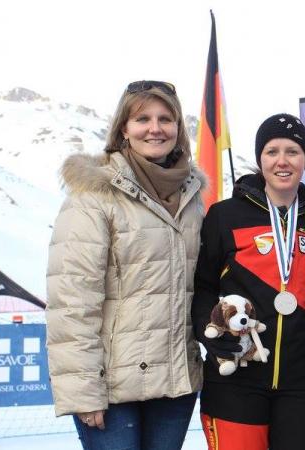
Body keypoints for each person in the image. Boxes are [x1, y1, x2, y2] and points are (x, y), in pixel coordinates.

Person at [46, 80, 205, 450]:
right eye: (142, 118)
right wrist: (83, 391)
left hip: (174, 385)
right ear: (123, 129)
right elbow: (72, 300)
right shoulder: (94, 194)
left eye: (166, 119)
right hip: (112, 388)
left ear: (179, 129)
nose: (155, 128)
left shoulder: (192, 196)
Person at [192, 113, 305, 450]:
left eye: (292, 151)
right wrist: (209, 333)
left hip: (304, 383)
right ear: (259, 159)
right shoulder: (225, 215)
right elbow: (203, 287)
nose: (282, 161)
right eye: (272, 151)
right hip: (236, 378)